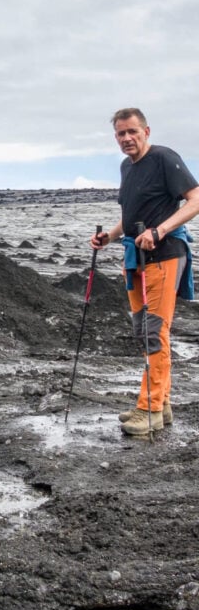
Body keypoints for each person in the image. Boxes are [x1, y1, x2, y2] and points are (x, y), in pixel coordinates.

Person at [91, 108, 199, 435]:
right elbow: (132, 214)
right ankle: (161, 403)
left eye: (132, 132)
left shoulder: (165, 159)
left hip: (165, 254)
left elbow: (195, 200)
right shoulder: (127, 167)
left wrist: (159, 230)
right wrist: (108, 237)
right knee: (143, 330)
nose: (127, 139)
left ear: (146, 131)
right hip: (135, 258)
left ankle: (149, 409)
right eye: (121, 134)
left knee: (154, 330)